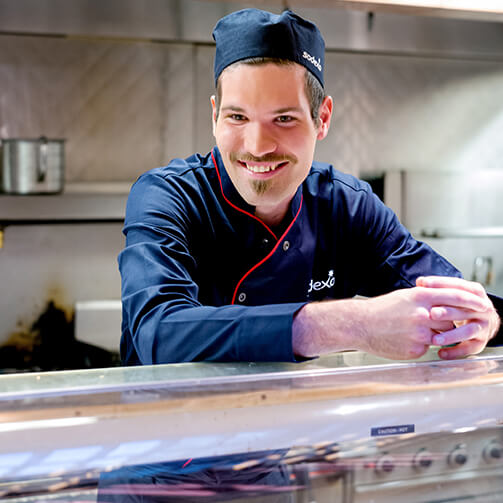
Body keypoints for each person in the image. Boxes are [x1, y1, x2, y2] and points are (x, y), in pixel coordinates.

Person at [118, 8, 501, 366]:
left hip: (297, 432)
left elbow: (456, 302)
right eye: (237, 117)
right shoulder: (168, 197)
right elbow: (158, 331)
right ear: (215, 114)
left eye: (283, 119)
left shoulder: (346, 207)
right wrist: (353, 324)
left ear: (322, 118)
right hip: (177, 431)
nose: (257, 146)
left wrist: (485, 321)